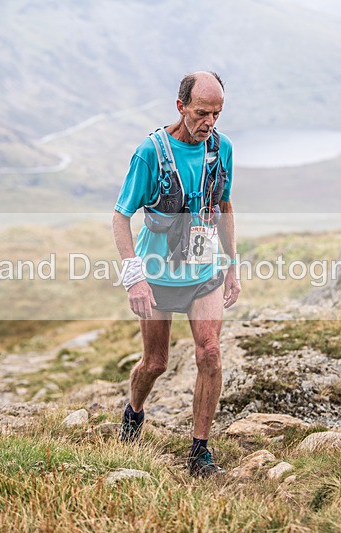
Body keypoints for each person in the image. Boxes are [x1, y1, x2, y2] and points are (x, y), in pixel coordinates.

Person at [112, 71, 240, 477]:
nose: (209, 123)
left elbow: (224, 206)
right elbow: (121, 216)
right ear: (181, 106)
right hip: (156, 276)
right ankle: (133, 414)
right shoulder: (149, 153)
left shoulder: (222, 150)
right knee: (155, 362)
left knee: (211, 352)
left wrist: (232, 265)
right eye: (202, 113)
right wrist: (134, 276)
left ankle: (199, 451)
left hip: (204, 272)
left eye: (217, 114)